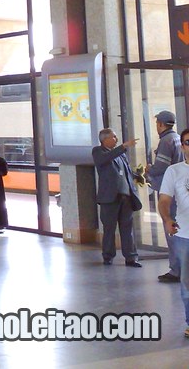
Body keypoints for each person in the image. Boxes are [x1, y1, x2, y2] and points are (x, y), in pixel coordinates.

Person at [157, 127, 189, 339]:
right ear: (183, 145)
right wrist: (167, 219)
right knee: (187, 283)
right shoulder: (174, 171)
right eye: (188, 142)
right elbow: (164, 200)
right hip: (185, 235)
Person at [92, 128, 141, 267]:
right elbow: (105, 159)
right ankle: (108, 256)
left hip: (125, 197)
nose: (116, 139)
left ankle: (131, 257)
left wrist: (140, 175)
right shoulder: (98, 151)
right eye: (114, 137)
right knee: (109, 229)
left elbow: (126, 172)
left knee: (127, 228)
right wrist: (123, 147)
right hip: (109, 198)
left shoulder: (121, 155)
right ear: (105, 139)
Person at [147, 110, 183, 283]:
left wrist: (148, 171)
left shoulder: (166, 141)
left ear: (161, 124)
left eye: (157, 123)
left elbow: (161, 166)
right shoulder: (177, 138)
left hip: (170, 191)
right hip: (182, 190)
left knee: (171, 228)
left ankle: (176, 270)